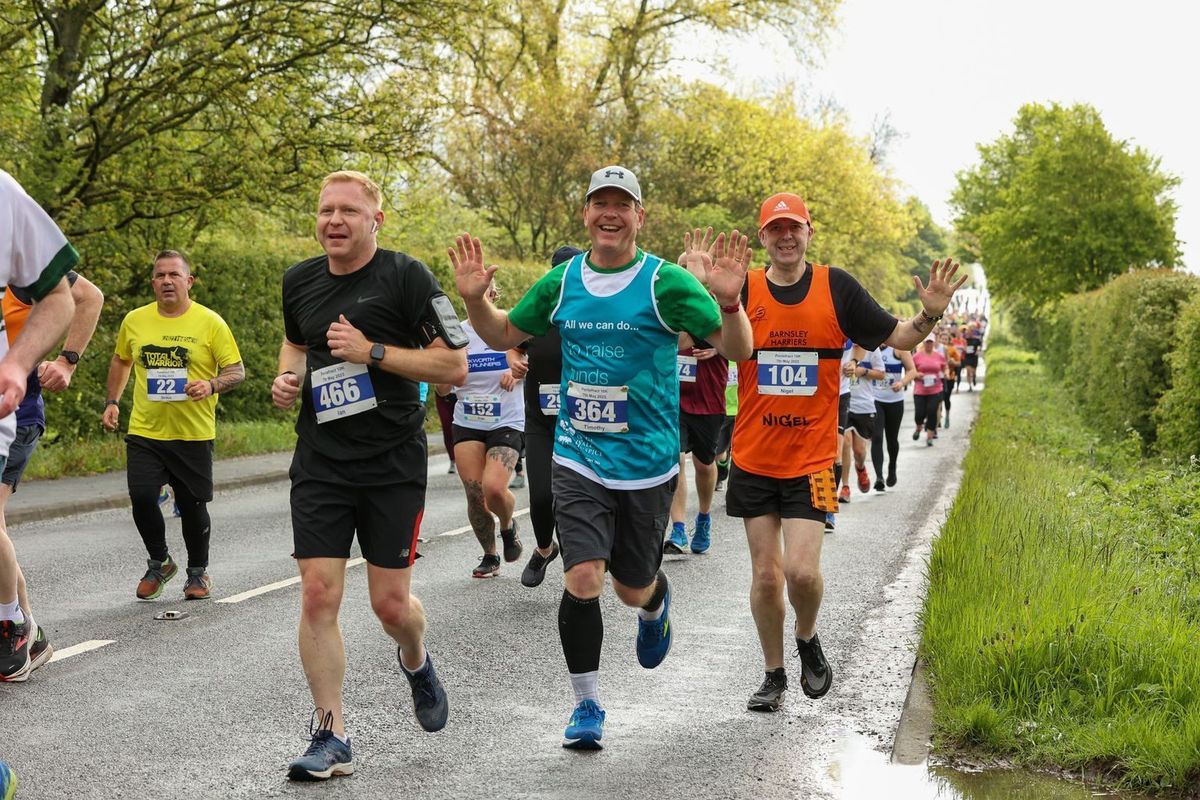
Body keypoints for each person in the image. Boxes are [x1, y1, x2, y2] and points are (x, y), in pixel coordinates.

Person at [451, 165, 753, 750]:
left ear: (640, 216)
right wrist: (474, 302)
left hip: (647, 462)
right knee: (585, 577)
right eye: (599, 204)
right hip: (580, 454)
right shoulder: (562, 282)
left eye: (622, 204)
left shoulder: (667, 282)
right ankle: (586, 704)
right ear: (586, 214)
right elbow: (504, 333)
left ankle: (655, 601)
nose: (610, 214)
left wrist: (733, 301)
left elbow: (736, 348)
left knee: (629, 587)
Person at [730, 191, 964, 713]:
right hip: (752, 457)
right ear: (763, 236)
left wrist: (928, 316)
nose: (786, 237)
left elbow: (900, 335)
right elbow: (693, 339)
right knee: (767, 576)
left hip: (812, 459)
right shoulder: (741, 289)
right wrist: (711, 294)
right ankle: (773, 674)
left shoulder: (836, 287)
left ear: (809, 232)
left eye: (795, 228)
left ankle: (807, 636)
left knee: (802, 575)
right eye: (775, 229)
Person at [271, 171, 467, 781]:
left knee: (389, 605)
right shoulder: (298, 280)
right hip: (322, 460)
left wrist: (373, 352)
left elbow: (454, 366)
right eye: (326, 209)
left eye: (348, 211)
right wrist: (289, 378)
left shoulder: (407, 278)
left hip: (391, 464)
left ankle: (415, 658)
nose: (334, 220)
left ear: (375, 221)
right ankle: (331, 734)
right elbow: (296, 344)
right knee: (318, 593)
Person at [102, 250, 244, 602]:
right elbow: (121, 360)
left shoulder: (210, 323)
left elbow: (236, 371)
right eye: (160, 275)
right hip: (146, 430)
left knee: (192, 505)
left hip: (193, 433)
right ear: (153, 283)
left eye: (174, 275)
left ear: (188, 281)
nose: (167, 281)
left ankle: (198, 572)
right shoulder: (135, 320)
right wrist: (112, 401)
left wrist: (210, 385)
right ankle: (160, 561)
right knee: (142, 496)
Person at [0, 269, 103, 674]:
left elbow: (89, 297)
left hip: (16, 414)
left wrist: (67, 360)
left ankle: (12, 623)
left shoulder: (17, 265)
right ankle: (30, 632)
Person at [0, 170, 76, 684]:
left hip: (16, 410)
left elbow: (76, 295)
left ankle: (12, 624)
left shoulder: (4, 196)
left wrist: (29, 360)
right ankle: (24, 626)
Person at [437, 283, 525, 579]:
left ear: (493, 296)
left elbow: (532, 360)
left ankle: (508, 524)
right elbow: (442, 385)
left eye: (483, 292)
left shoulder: (511, 325)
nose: (475, 298)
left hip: (507, 420)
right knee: (475, 493)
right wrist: (448, 375)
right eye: (469, 294)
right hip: (468, 421)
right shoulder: (455, 335)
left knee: (494, 488)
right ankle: (490, 554)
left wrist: (517, 371)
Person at [509, 245, 584, 588]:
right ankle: (544, 549)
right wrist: (513, 357)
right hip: (541, 422)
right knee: (541, 498)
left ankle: (580, 557)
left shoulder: (593, 315)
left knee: (576, 501)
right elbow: (509, 339)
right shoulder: (538, 313)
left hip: (585, 423)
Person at [870, 343, 917, 490]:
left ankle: (892, 467)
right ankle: (879, 477)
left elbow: (912, 371)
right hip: (875, 399)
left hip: (895, 401)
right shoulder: (870, 348)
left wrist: (902, 382)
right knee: (876, 437)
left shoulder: (899, 349)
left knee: (892, 438)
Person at [843, 348, 885, 495]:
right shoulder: (843, 344)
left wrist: (864, 372)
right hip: (844, 402)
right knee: (845, 444)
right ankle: (845, 486)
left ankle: (860, 467)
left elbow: (881, 374)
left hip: (864, 405)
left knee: (859, 451)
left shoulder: (871, 346)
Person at [911, 335, 947, 446]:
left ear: (934, 342)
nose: (929, 344)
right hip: (920, 390)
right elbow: (910, 371)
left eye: (931, 342)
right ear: (924, 343)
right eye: (927, 342)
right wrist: (917, 374)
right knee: (919, 413)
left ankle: (930, 437)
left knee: (932, 412)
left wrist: (945, 373)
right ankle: (918, 428)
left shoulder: (939, 356)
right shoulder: (916, 357)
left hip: (935, 389)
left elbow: (944, 368)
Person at [962, 321, 983, 390]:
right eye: (968, 331)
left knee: (973, 371)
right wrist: (964, 349)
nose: (969, 333)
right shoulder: (965, 340)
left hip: (974, 357)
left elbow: (980, 346)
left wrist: (978, 350)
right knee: (968, 371)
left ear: (973, 332)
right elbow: (962, 346)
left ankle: (974, 377)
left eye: (971, 331)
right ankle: (970, 386)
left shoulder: (976, 339)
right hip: (967, 357)